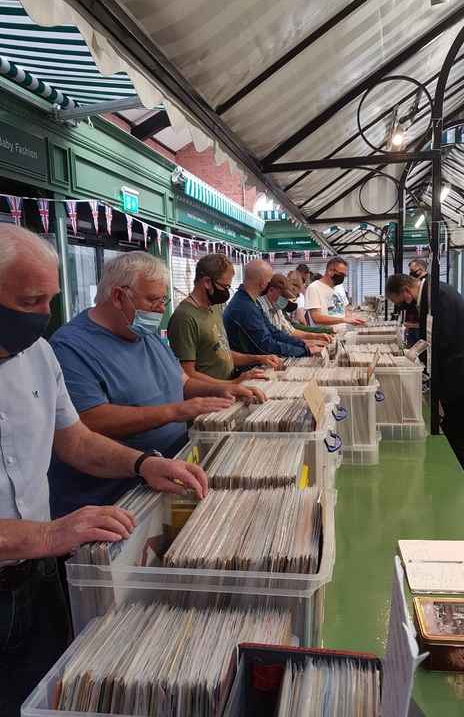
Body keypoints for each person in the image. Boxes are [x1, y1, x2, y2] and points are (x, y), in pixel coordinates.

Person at [0, 225, 209, 717]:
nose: (43, 317)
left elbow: (75, 440)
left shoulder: (39, 355)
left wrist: (142, 464)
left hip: (40, 579)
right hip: (38, 553)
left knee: (49, 691)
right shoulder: (71, 345)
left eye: (49, 300)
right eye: (29, 301)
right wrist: (47, 534)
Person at [48, 251, 235, 518]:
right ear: (118, 296)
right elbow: (89, 420)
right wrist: (175, 411)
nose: (161, 309)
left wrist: (225, 388)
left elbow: (181, 382)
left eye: (163, 299)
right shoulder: (69, 347)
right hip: (112, 500)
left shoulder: (143, 334)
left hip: (165, 477)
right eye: (152, 300)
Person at [386, 273, 464, 476]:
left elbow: (442, 339)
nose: (403, 308)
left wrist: (419, 362)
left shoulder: (437, 296)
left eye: (400, 303)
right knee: (454, 426)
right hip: (458, 373)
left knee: (459, 430)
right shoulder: (434, 291)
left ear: (406, 292)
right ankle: (453, 473)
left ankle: (459, 480)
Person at [167, 253, 280, 387]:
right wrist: (230, 384)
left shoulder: (214, 307)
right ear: (207, 282)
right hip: (209, 398)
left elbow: (222, 353)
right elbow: (187, 374)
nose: (227, 292)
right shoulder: (184, 318)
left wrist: (258, 358)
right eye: (225, 287)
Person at [223, 259, 317, 358]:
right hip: (246, 368)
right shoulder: (245, 307)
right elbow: (266, 345)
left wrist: (303, 346)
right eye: (269, 281)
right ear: (263, 283)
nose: (285, 301)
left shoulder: (250, 302)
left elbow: (274, 332)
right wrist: (304, 351)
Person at [257, 273, 332, 348]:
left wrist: (316, 336)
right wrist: (305, 343)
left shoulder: (277, 308)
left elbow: (291, 331)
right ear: (271, 290)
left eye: (286, 298)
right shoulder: (259, 307)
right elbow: (269, 341)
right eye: (282, 296)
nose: (285, 301)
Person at [305, 258, 365, 327]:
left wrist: (353, 319)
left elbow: (344, 310)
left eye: (344, 275)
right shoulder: (314, 288)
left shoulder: (339, 287)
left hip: (341, 334)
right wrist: (343, 320)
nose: (342, 277)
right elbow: (316, 318)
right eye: (341, 274)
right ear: (330, 271)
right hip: (325, 336)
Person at [404, 258, 428, 345]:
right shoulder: (417, 282)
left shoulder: (427, 285)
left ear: (421, 269)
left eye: (412, 270)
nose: (410, 273)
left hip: (419, 327)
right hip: (412, 326)